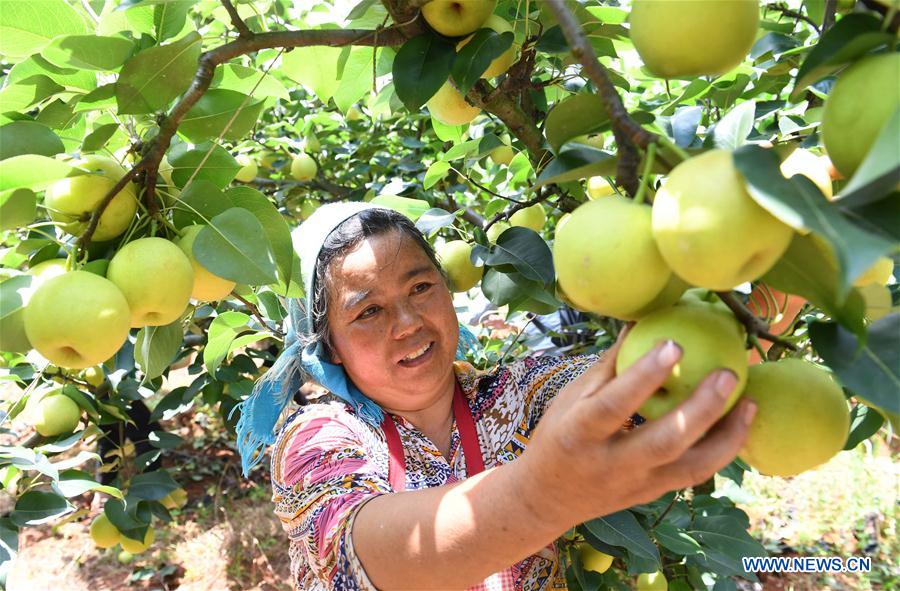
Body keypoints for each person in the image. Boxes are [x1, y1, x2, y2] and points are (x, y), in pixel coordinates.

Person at [234, 202, 757, 590]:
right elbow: (366, 555)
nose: (409, 323)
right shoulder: (318, 439)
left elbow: (667, 376)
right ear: (329, 345)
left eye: (421, 288)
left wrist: (766, 256)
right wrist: (540, 495)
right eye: (369, 311)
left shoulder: (516, 396)